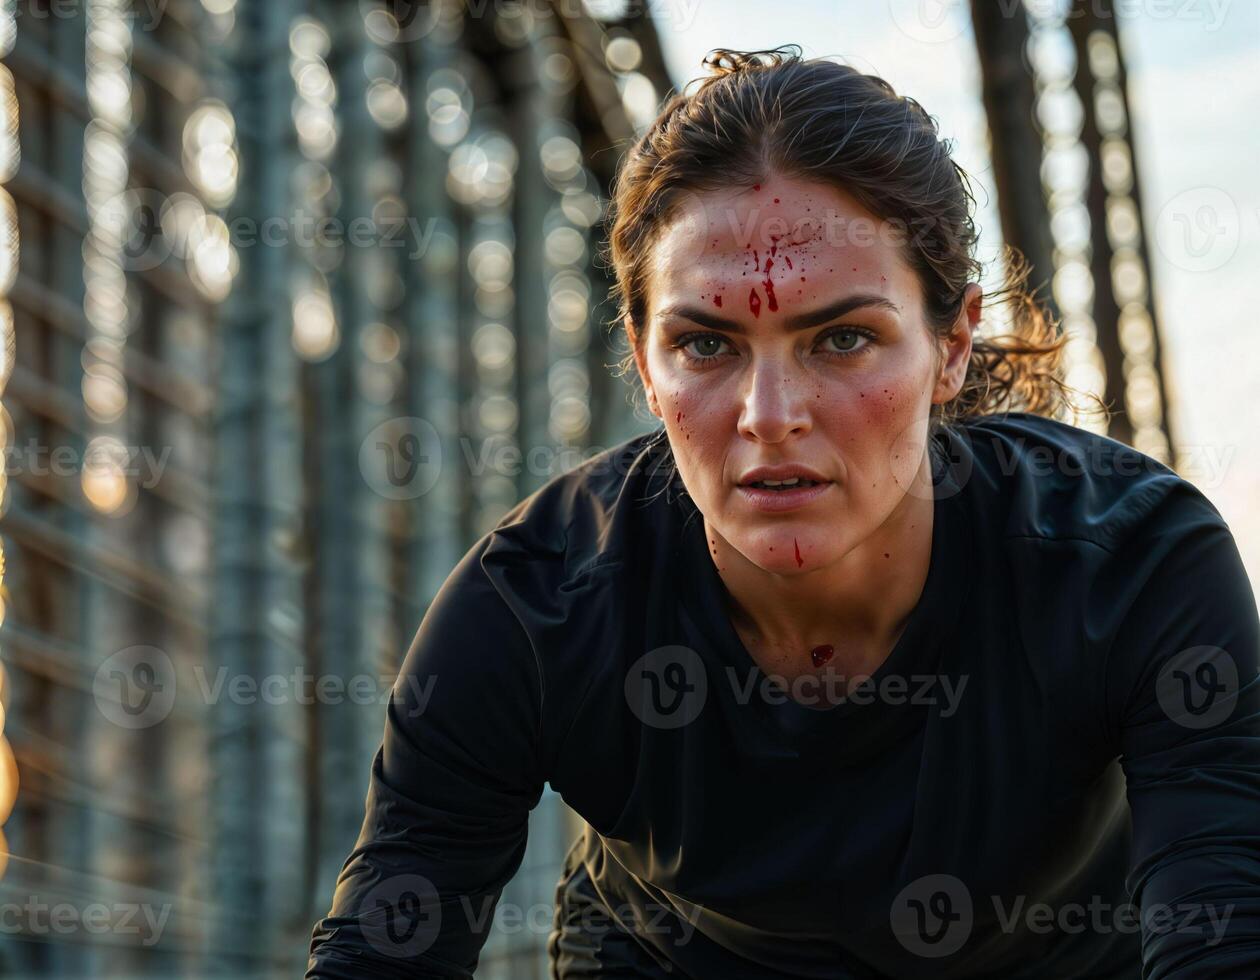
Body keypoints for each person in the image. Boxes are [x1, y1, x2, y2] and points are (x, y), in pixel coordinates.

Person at [307, 47, 1260, 978]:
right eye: (707, 345)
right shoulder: (532, 604)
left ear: (954, 343)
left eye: (843, 338)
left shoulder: (1133, 562)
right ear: (643, 360)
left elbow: (1226, 934)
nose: (770, 418)